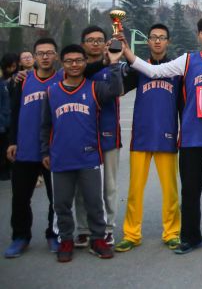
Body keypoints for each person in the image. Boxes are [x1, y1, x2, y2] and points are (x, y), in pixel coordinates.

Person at [121, 14, 202, 257]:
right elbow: (154, 71)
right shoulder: (186, 60)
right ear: (198, 35)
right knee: (190, 192)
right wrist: (128, 54)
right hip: (190, 137)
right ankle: (190, 237)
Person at [40, 43, 124, 262]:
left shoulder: (94, 88)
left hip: (89, 156)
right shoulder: (52, 91)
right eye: (69, 61)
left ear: (86, 62)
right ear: (62, 63)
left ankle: (98, 239)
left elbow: (116, 90)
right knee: (62, 203)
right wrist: (45, 152)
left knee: (94, 202)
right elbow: (45, 126)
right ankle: (66, 239)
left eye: (79, 60)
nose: (74, 65)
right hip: (60, 157)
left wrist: (114, 63)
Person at [114, 24, 182, 253]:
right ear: (148, 41)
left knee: (170, 190)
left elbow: (184, 104)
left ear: (168, 41)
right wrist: (114, 60)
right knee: (135, 190)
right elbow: (119, 90)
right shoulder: (138, 68)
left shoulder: (176, 70)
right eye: (153, 37)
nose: (157, 41)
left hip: (167, 136)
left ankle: (172, 232)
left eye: (162, 37)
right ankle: (131, 234)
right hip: (141, 136)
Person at [4, 38, 61, 257]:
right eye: (41, 53)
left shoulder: (64, 78)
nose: (45, 57)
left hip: (53, 151)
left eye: (49, 52)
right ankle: (20, 237)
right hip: (25, 149)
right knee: (20, 198)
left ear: (56, 56)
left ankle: (53, 234)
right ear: (34, 56)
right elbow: (14, 112)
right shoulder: (22, 81)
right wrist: (12, 141)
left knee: (56, 199)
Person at [74, 25, 122, 247]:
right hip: (82, 135)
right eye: (90, 40)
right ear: (83, 43)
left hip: (108, 134)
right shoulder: (75, 69)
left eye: (99, 40)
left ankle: (108, 228)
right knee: (82, 187)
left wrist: (113, 60)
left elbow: (119, 89)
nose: (95, 43)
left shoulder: (114, 67)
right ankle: (84, 228)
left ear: (105, 43)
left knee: (109, 187)